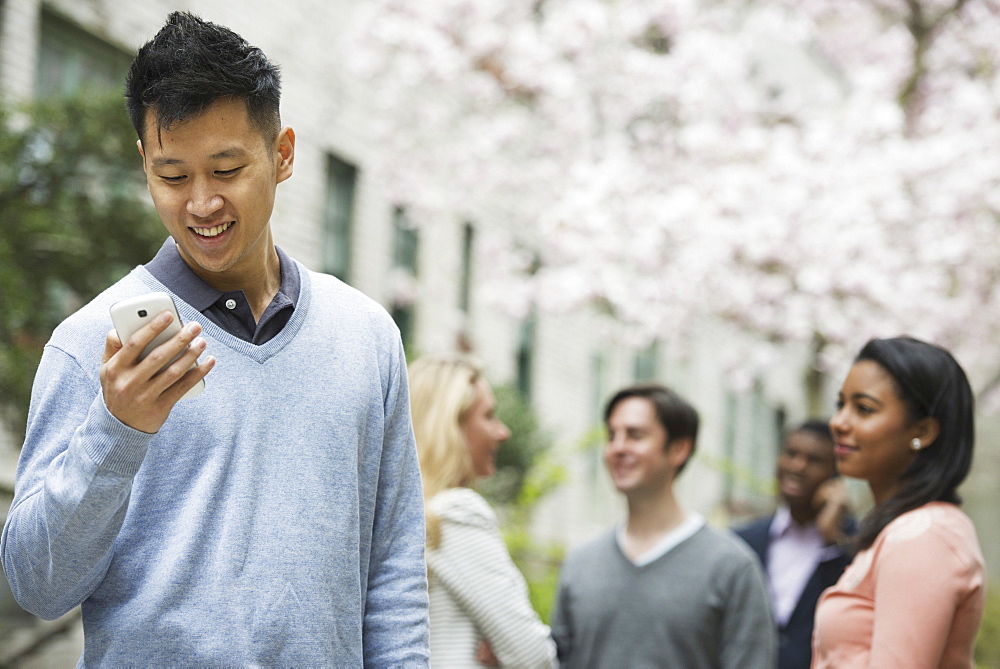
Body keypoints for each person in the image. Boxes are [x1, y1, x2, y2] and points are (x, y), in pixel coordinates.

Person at [0, 12, 428, 666]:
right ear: (144, 161)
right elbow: (39, 585)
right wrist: (116, 429)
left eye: (227, 169)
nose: (201, 204)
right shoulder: (92, 342)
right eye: (173, 176)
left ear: (282, 154)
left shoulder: (365, 335)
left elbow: (395, 570)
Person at [550, 383, 775, 668]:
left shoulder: (731, 567)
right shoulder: (580, 564)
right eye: (611, 435)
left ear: (679, 449)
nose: (617, 448)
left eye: (635, 435)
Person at [813, 336, 985, 668]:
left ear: (923, 431)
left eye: (863, 409)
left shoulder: (923, 535)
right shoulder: (900, 530)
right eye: (840, 404)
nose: (838, 422)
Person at [408, 356, 556, 668]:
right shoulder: (455, 513)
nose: (503, 433)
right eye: (489, 416)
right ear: (450, 425)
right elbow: (534, 656)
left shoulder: (404, 517)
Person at [735, 420, 854, 669]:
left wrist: (832, 539)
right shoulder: (742, 541)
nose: (797, 466)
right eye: (791, 454)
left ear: (834, 475)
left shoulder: (854, 546)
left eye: (814, 460)